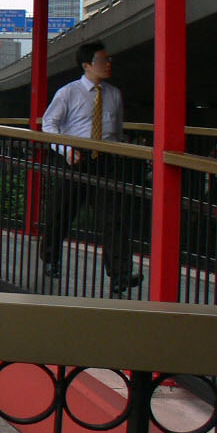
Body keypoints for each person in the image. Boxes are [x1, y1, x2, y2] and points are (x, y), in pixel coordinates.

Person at [38, 40, 138, 294]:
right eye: (103, 61)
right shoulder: (68, 92)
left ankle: (120, 274)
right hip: (74, 158)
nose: (108, 64)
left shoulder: (114, 94)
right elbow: (50, 125)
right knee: (62, 211)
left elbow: (116, 131)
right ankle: (51, 258)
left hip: (106, 159)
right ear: (86, 65)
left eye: (108, 60)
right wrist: (65, 150)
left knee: (114, 217)